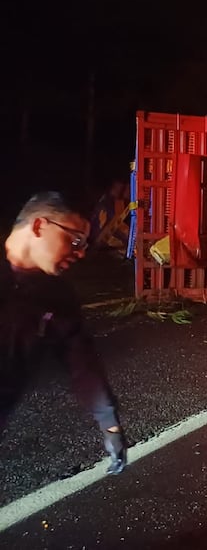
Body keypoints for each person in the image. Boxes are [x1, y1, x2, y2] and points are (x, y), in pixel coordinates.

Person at [1, 191, 127, 474]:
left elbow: (81, 361)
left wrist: (110, 423)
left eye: (83, 243)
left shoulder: (55, 296)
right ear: (39, 226)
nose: (80, 252)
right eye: (74, 240)